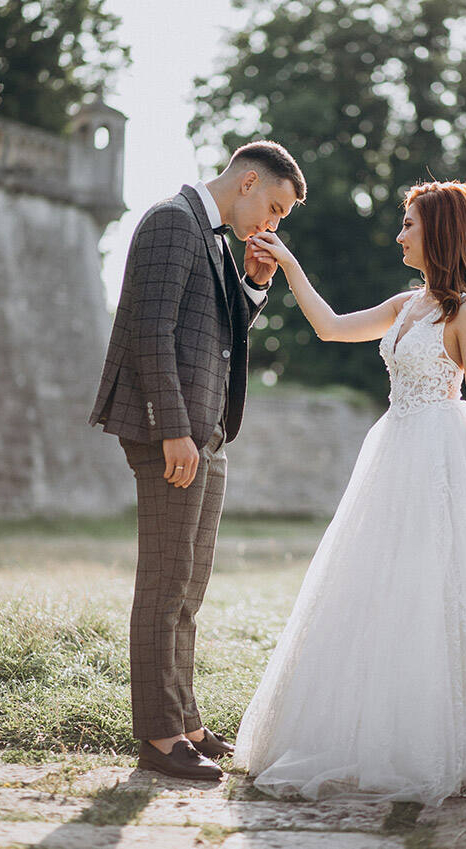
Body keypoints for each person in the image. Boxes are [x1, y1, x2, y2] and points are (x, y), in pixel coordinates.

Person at [233, 180, 466, 807]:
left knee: (455, 590)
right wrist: (289, 265)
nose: (400, 234)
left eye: (409, 224)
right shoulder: (405, 306)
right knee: (389, 589)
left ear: (439, 231)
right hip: (395, 451)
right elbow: (330, 328)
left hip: (444, 456)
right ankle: (388, 731)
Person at [88, 141, 306, 780]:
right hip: (173, 433)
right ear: (248, 181)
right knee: (164, 583)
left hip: (206, 432)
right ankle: (159, 739)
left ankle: (184, 721)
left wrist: (256, 283)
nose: (272, 223)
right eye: (274, 207)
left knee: (188, 585)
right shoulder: (171, 221)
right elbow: (150, 334)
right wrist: (172, 431)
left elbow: (220, 332)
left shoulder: (211, 237)